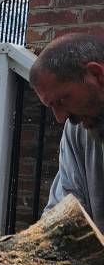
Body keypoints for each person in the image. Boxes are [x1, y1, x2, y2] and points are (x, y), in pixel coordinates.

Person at [29, 32, 104, 228]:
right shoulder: (78, 129)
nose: (60, 117)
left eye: (62, 100)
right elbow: (65, 210)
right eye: (51, 106)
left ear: (96, 75)